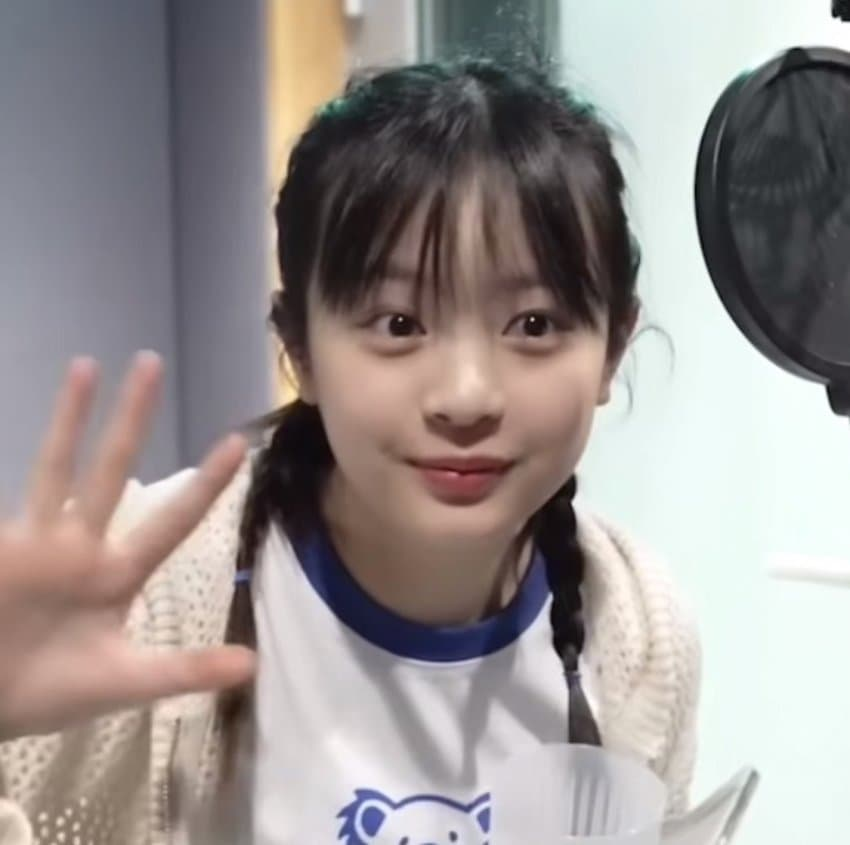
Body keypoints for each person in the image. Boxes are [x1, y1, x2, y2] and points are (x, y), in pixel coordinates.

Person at [0, 56, 700, 845]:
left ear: (612, 349)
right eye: (399, 323)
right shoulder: (146, 590)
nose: (466, 395)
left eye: (533, 324)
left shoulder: (638, 630)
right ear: (299, 347)